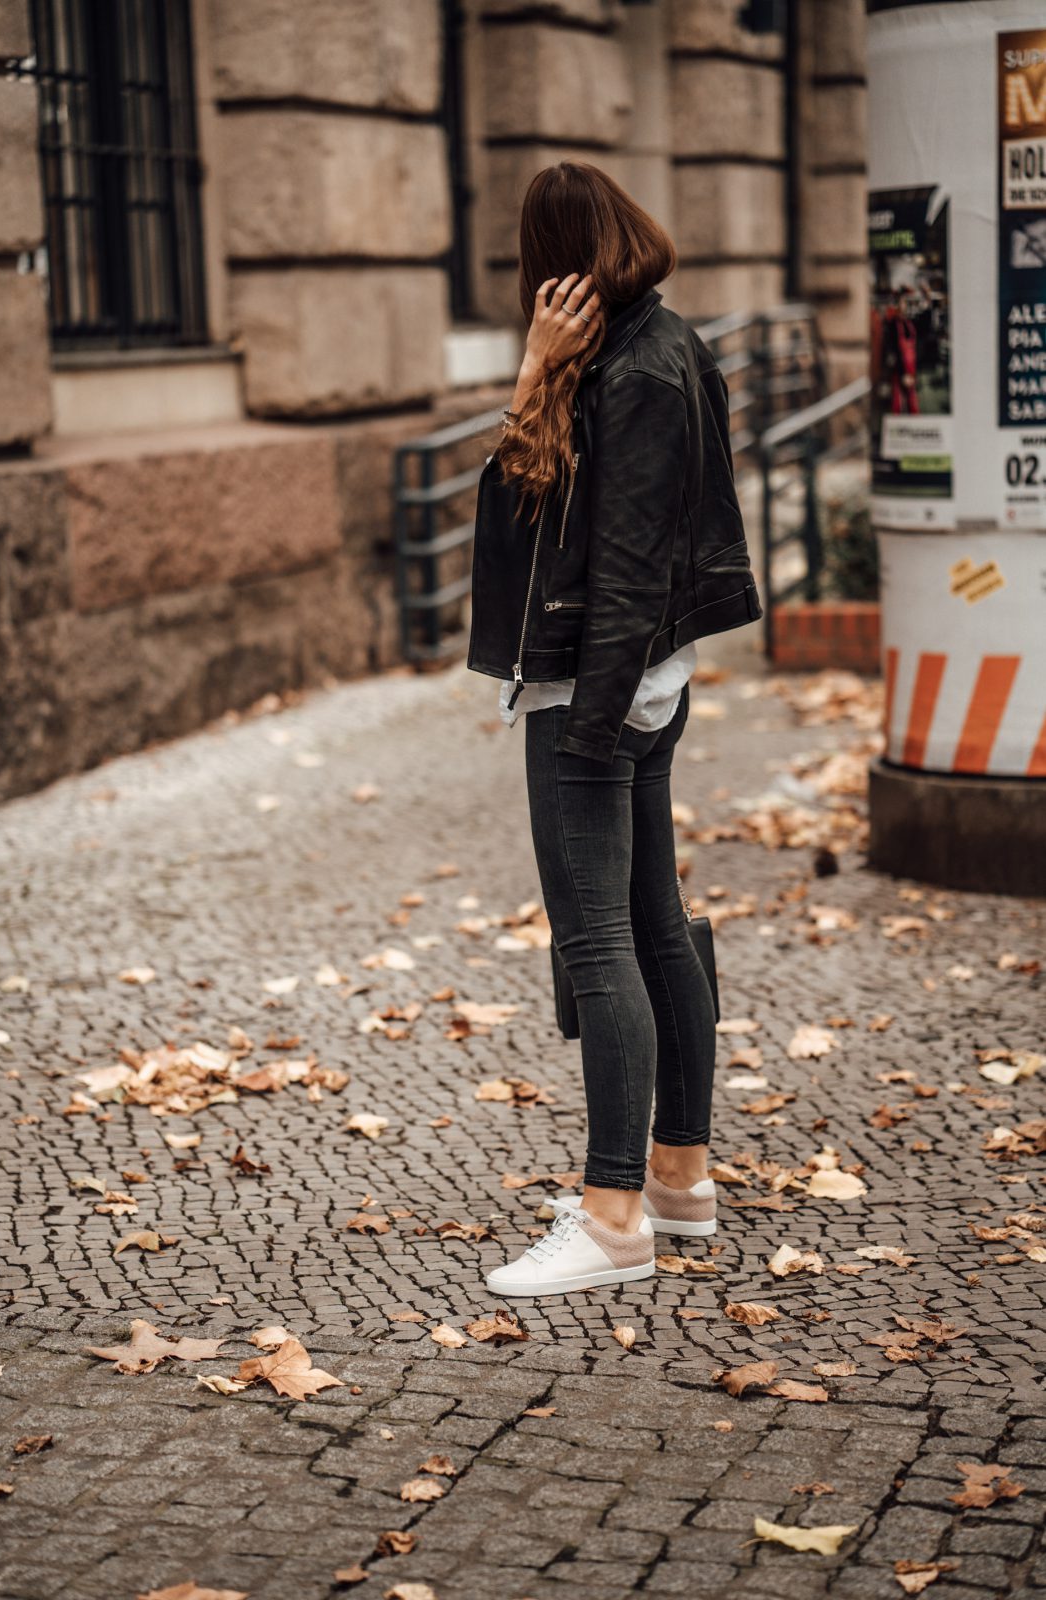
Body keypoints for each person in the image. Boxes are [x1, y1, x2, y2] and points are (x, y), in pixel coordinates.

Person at [466, 162, 762, 1297]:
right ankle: (678, 1181)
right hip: (643, 685)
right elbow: (519, 511)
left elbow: (629, 567)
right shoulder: (656, 344)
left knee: (600, 944)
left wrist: (586, 726)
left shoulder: (633, 372)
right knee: (654, 924)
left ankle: (611, 1215)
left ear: (555, 266)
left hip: (595, 695)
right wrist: (540, 371)